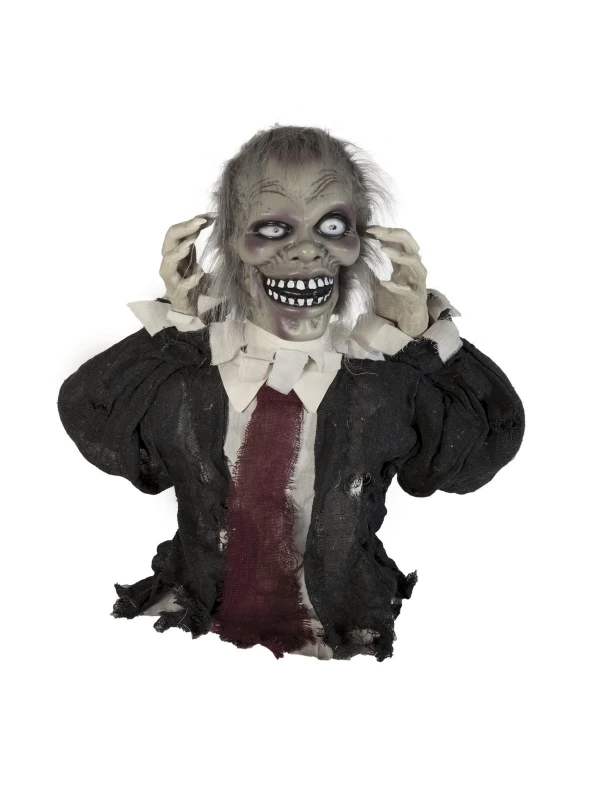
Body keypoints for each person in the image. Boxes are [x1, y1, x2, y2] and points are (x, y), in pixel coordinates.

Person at [57, 125, 525, 661]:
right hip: (195, 641)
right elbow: (91, 414)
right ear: (232, 244)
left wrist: (418, 337)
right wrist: (177, 328)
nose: (306, 251)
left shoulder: (382, 385)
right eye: (273, 228)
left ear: (359, 242)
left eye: (332, 226)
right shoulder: (188, 379)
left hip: (343, 632)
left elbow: (478, 449)